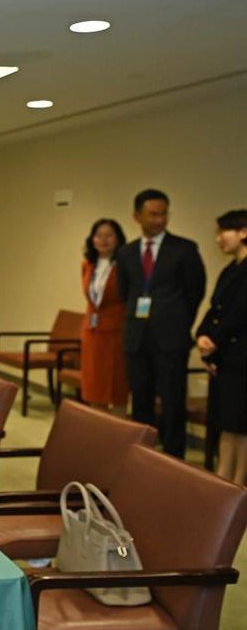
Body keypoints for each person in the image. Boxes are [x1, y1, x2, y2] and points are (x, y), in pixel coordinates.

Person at [116, 188, 206, 459]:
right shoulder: (126, 253)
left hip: (171, 340)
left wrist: (176, 322)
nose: (160, 220)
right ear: (137, 216)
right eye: (153, 214)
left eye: (164, 214)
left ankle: (173, 459)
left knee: (172, 402)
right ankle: (141, 456)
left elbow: (195, 292)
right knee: (140, 401)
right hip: (137, 339)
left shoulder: (184, 249)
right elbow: (125, 293)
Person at [196, 209, 247, 484]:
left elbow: (239, 314)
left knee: (241, 424)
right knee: (227, 423)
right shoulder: (230, 270)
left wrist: (215, 340)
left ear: (243, 232)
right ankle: (223, 476)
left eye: (223, 231)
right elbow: (215, 308)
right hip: (226, 357)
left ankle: (238, 482)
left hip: (241, 357)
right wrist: (202, 335)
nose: (218, 239)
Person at [80, 218, 129, 411]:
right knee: (94, 387)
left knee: (117, 387)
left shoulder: (124, 265)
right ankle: (98, 427)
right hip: (92, 333)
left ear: (118, 239)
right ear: (92, 239)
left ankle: (118, 427)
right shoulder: (88, 265)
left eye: (109, 235)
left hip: (117, 333)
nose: (103, 240)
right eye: (98, 235)